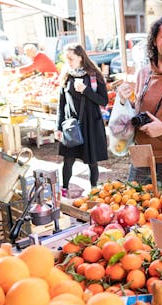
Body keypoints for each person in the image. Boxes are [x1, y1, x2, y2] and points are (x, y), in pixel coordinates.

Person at [117, 15, 162, 190]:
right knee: (133, 210)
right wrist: (123, 101)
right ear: (154, 42)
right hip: (141, 157)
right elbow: (139, 109)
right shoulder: (144, 73)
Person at [54, 43, 108, 197]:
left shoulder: (94, 76)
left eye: (71, 58)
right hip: (71, 125)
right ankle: (64, 190)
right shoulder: (66, 76)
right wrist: (58, 127)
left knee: (92, 161)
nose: (68, 62)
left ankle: (94, 190)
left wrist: (85, 90)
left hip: (91, 124)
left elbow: (103, 100)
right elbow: (61, 104)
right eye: (67, 59)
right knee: (68, 159)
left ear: (80, 57)